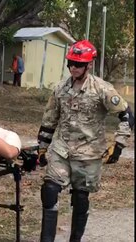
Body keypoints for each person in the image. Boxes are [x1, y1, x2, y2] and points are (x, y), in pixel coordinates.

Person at [36, 40, 134, 242]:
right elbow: (49, 119)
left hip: (88, 154)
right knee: (49, 191)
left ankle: (75, 239)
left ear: (89, 65)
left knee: (80, 198)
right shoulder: (60, 88)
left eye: (79, 64)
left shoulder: (102, 89)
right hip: (61, 150)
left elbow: (127, 115)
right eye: (71, 62)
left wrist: (118, 145)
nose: (73, 67)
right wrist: (42, 148)